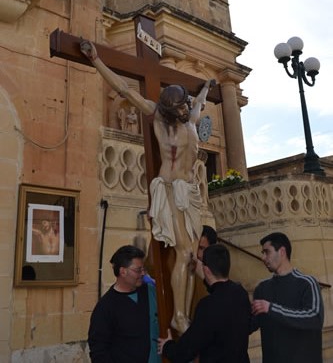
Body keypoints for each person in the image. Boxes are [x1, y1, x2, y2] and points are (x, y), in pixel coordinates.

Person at [80, 39, 215, 334]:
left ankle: (184, 312)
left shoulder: (190, 119)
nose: (187, 108)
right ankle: (178, 316)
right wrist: (96, 60)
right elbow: (125, 89)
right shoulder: (157, 118)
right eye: (182, 105)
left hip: (190, 193)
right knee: (182, 253)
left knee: (192, 257)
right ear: (171, 107)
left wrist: (205, 88)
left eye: (187, 105)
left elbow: (202, 102)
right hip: (170, 190)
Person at [158, 243, 251, 362]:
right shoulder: (240, 293)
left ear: (206, 270)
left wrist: (167, 346)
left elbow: (185, 352)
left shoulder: (207, 306)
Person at [251, 232, 324, 363]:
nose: (263, 257)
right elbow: (250, 324)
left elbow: (315, 318)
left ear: (282, 252)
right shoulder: (262, 289)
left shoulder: (307, 283)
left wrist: (272, 308)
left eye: (267, 252)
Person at [88, 245, 160, 363]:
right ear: (123, 271)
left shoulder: (150, 291)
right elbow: (99, 350)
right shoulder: (105, 307)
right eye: (138, 270)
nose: (143, 273)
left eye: (143, 269)